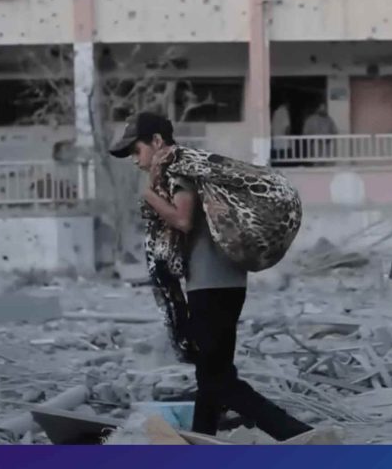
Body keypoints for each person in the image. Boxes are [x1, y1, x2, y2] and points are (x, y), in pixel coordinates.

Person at [109, 112, 317, 441]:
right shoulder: (186, 167)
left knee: (218, 379)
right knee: (211, 375)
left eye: (136, 151)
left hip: (212, 285)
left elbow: (183, 219)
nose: (135, 161)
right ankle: (201, 442)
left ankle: (298, 434)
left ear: (157, 142)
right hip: (222, 282)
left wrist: (149, 197)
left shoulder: (178, 168)